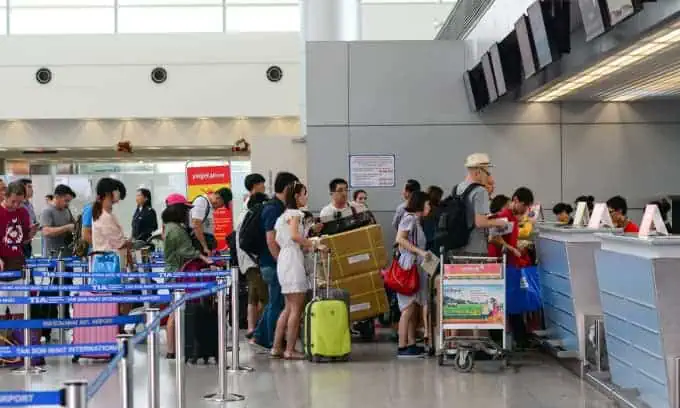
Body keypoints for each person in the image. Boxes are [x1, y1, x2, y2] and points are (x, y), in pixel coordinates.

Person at [271, 182, 320, 360]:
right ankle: (290, 349)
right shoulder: (295, 214)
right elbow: (294, 236)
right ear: (297, 196)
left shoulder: (282, 216)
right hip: (293, 261)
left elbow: (284, 238)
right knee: (296, 308)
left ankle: (277, 347)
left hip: (285, 258)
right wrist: (313, 243)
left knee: (288, 307)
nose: (306, 197)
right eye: (304, 194)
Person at [162, 193, 213, 359]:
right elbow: (187, 250)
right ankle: (172, 349)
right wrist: (204, 256)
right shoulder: (176, 229)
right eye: (185, 209)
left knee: (175, 311)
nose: (187, 213)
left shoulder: (170, 226)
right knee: (175, 312)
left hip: (173, 271)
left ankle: (173, 348)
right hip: (178, 273)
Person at [252, 171, 299, 349]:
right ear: (287, 187)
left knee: (275, 301)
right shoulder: (273, 209)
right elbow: (271, 239)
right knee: (276, 302)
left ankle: (261, 336)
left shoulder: (279, 207)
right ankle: (273, 340)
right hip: (272, 262)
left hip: (274, 262)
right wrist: (282, 262)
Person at [488, 187, 534, 348]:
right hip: (503, 265)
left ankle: (519, 339)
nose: (525, 210)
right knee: (504, 304)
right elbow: (493, 237)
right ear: (515, 200)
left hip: (511, 264)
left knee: (512, 303)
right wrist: (511, 248)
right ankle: (503, 340)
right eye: (524, 205)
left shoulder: (512, 218)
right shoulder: (504, 217)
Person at [395, 191, 431, 358]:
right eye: (427, 204)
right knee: (407, 308)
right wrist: (419, 252)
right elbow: (400, 239)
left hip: (415, 265)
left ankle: (410, 343)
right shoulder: (409, 218)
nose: (429, 207)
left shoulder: (416, 221)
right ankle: (402, 346)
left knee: (411, 306)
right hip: (409, 266)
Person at [454, 153, 508, 255]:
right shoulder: (480, 191)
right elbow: (480, 222)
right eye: (487, 172)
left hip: (458, 246)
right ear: (478, 172)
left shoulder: (458, 187)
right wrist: (500, 222)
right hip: (475, 248)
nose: (488, 175)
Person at [238, 188, 270, 339]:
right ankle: (261, 331)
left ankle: (253, 328)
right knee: (264, 297)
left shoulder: (244, 216)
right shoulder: (253, 218)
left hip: (248, 262)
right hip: (253, 262)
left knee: (253, 296)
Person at [92, 178, 131, 284]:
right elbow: (119, 243)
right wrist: (128, 241)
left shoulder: (104, 213)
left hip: (107, 263)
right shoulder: (105, 216)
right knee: (112, 296)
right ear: (109, 194)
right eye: (117, 192)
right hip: (109, 264)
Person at [82, 178, 127, 254]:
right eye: (117, 192)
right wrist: (101, 248)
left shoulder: (106, 212)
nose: (118, 197)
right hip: (102, 256)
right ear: (108, 193)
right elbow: (85, 234)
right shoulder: (94, 210)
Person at [0, 181, 37, 273]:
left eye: (20, 202)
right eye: (13, 201)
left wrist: (31, 233)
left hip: (17, 259)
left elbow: (24, 240)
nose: (16, 205)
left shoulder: (23, 212)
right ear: (5, 196)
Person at [190, 187, 233, 255]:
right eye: (222, 204)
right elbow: (196, 225)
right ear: (218, 198)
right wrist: (205, 247)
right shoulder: (201, 202)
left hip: (204, 244)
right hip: (198, 246)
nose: (221, 207)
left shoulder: (210, 206)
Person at [41, 185, 77, 258]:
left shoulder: (66, 210)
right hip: (53, 257)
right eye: (66, 201)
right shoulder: (47, 211)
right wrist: (66, 228)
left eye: (69, 201)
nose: (67, 204)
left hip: (67, 256)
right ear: (57, 197)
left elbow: (74, 225)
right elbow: (46, 231)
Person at [18, 179, 37, 258]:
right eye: (29, 187)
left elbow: (33, 220)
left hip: (28, 242)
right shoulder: (17, 205)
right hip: (19, 243)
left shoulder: (29, 205)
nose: (32, 190)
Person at [423, 186, 444, 253]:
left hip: (423, 240)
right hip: (434, 240)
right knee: (431, 262)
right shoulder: (439, 210)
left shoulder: (422, 208)